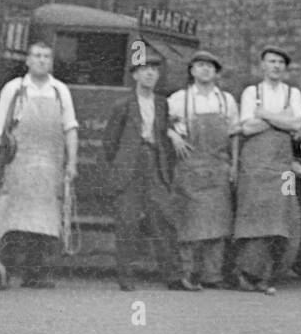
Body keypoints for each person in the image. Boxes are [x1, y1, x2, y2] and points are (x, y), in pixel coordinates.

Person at [0, 40, 78, 289]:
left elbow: (70, 128)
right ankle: (4, 272)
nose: (41, 60)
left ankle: (35, 275)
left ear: (51, 62)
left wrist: (72, 163)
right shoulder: (14, 89)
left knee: (44, 222)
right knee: (12, 219)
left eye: (46, 57)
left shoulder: (60, 91)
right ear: (27, 60)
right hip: (17, 165)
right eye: (37, 56)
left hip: (49, 166)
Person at [102, 47, 185, 291]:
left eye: (154, 70)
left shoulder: (162, 104)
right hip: (129, 166)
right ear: (135, 75)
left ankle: (174, 276)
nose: (150, 74)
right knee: (128, 222)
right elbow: (110, 142)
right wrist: (119, 169)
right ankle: (126, 277)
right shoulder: (123, 105)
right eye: (144, 70)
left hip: (154, 164)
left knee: (164, 218)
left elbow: (163, 133)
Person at [233, 43, 301, 294]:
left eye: (280, 63)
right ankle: (246, 275)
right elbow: (247, 128)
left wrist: (264, 115)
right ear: (262, 65)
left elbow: (296, 124)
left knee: (280, 218)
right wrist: (280, 120)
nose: (276, 66)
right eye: (271, 61)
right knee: (253, 217)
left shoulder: (292, 93)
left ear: (285, 68)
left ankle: (265, 276)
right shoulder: (251, 92)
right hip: (254, 167)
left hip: (283, 169)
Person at [167, 50, 240, 290]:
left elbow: (234, 135)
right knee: (189, 224)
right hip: (190, 167)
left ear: (216, 72)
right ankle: (188, 273)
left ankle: (213, 275)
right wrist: (173, 136)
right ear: (192, 71)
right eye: (200, 65)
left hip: (219, 167)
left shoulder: (226, 100)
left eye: (210, 66)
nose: (205, 69)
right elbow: (161, 124)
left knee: (218, 226)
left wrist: (234, 165)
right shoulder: (179, 99)